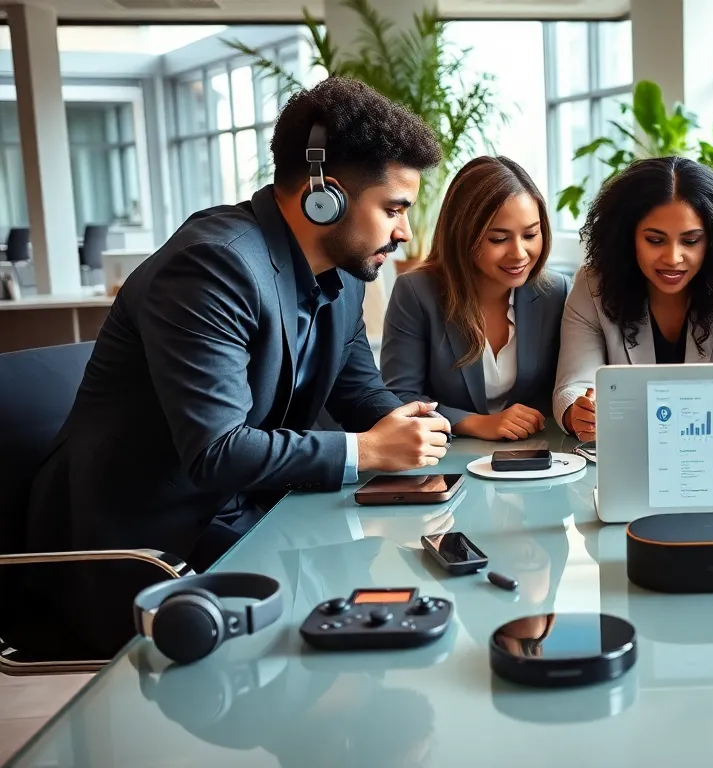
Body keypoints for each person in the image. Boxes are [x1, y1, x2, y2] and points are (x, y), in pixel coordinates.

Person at [24, 77, 451, 653]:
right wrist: (371, 450)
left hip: (248, 513)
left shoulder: (344, 272)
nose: (403, 232)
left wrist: (418, 425)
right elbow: (217, 451)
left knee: (399, 601)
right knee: (344, 632)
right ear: (324, 195)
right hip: (151, 541)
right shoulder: (213, 267)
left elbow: (360, 394)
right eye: (393, 209)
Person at [553, 156, 713, 441]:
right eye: (655, 240)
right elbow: (573, 386)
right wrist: (579, 412)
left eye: (691, 241)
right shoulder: (594, 285)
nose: (673, 258)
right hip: (629, 453)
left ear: (712, 240)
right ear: (627, 237)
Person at [380, 156, 571, 441]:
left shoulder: (555, 291)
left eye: (530, 234)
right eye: (498, 239)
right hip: (445, 459)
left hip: (537, 456)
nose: (519, 253)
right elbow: (400, 397)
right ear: (463, 234)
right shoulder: (416, 292)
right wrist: (475, 423)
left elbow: (567, 386)